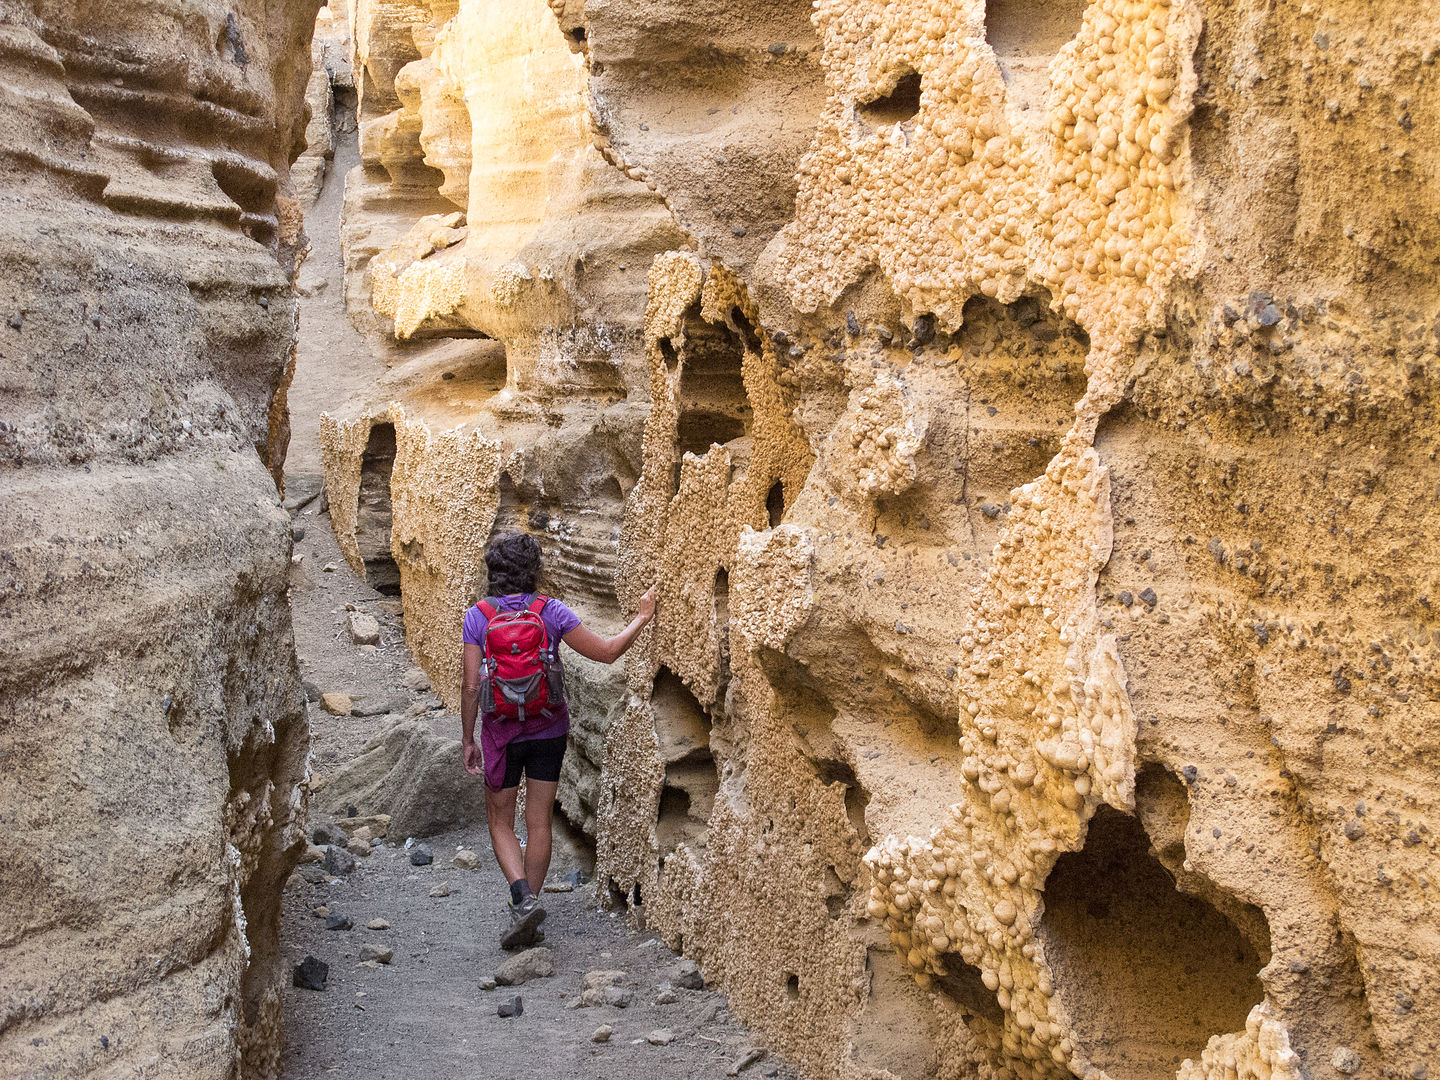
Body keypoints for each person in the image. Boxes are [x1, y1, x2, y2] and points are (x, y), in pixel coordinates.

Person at [461, 532, 656, 949]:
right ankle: (527, 908)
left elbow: (468, 686)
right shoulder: (551, 611)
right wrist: (641, 617)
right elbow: (605, 652)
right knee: (538, 822)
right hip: (549, 729)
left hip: (501, 734)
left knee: (499, 821)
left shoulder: (477, 617)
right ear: (534, 571)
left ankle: (521, 900)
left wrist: (467, 738)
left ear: (493, 572)